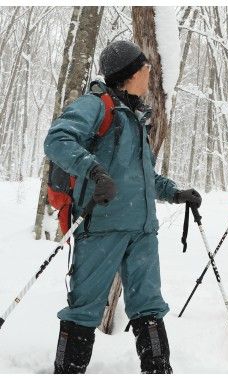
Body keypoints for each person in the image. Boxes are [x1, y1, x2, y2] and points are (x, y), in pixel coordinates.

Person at [44, 40, 202, 374]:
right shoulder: (96, 105)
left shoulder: (136, 117)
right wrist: (94, 170)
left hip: (142, 231)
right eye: (145, 67)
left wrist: (176, 193)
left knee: (149, 307)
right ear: (128, 73)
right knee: (84, 309)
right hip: (102, 226)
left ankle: (158, 370)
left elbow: (143, 178)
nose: (149, 73)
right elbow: (57, 140)